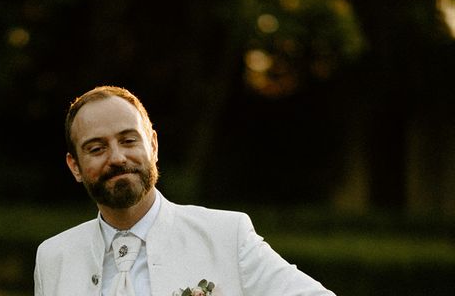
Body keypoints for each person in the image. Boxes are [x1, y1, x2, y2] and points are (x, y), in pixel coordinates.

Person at [34, 86, 336, 296]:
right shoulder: (53, 257)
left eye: (128, 141)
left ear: (152, 146)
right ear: (74, 166)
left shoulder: (226, 236)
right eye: (97, 148)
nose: (117, 158)